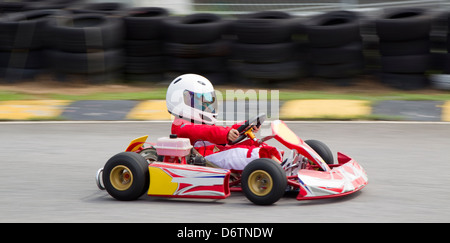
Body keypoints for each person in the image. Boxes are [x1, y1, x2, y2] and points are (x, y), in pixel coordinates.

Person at [166, 73, 297, 170]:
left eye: (207, 101)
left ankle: (282, 167)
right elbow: (208, 132)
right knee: (246, 154)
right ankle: (279, 171)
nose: (206, 106)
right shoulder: (181, 125)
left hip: (218, 151)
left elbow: (222, 133)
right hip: (206, 158)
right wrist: (226, 133)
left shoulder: (199, 123)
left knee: (259, 146)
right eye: (201, 102)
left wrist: (245, 125)